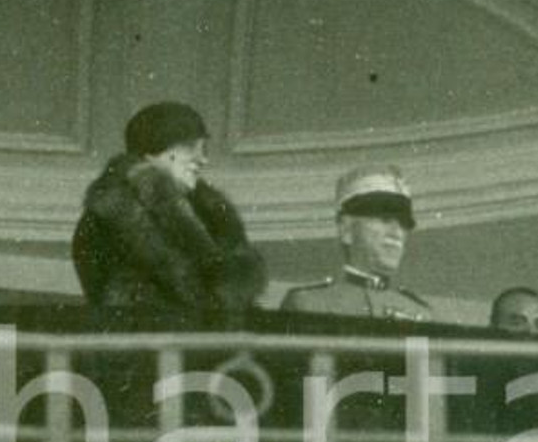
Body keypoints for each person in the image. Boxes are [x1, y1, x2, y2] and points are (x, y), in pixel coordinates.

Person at [71, 101, 266, 328]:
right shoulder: (104, 219)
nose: (203, 159)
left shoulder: (211, 214)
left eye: (204, 149)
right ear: (153, 152)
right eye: (191, 147)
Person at [281, 167, 429, 322]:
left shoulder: (419, 313)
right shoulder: (308, 305)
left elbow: (417, 347)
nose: (397, 233)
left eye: (404, 224)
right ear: (347, 231)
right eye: (385, 219)